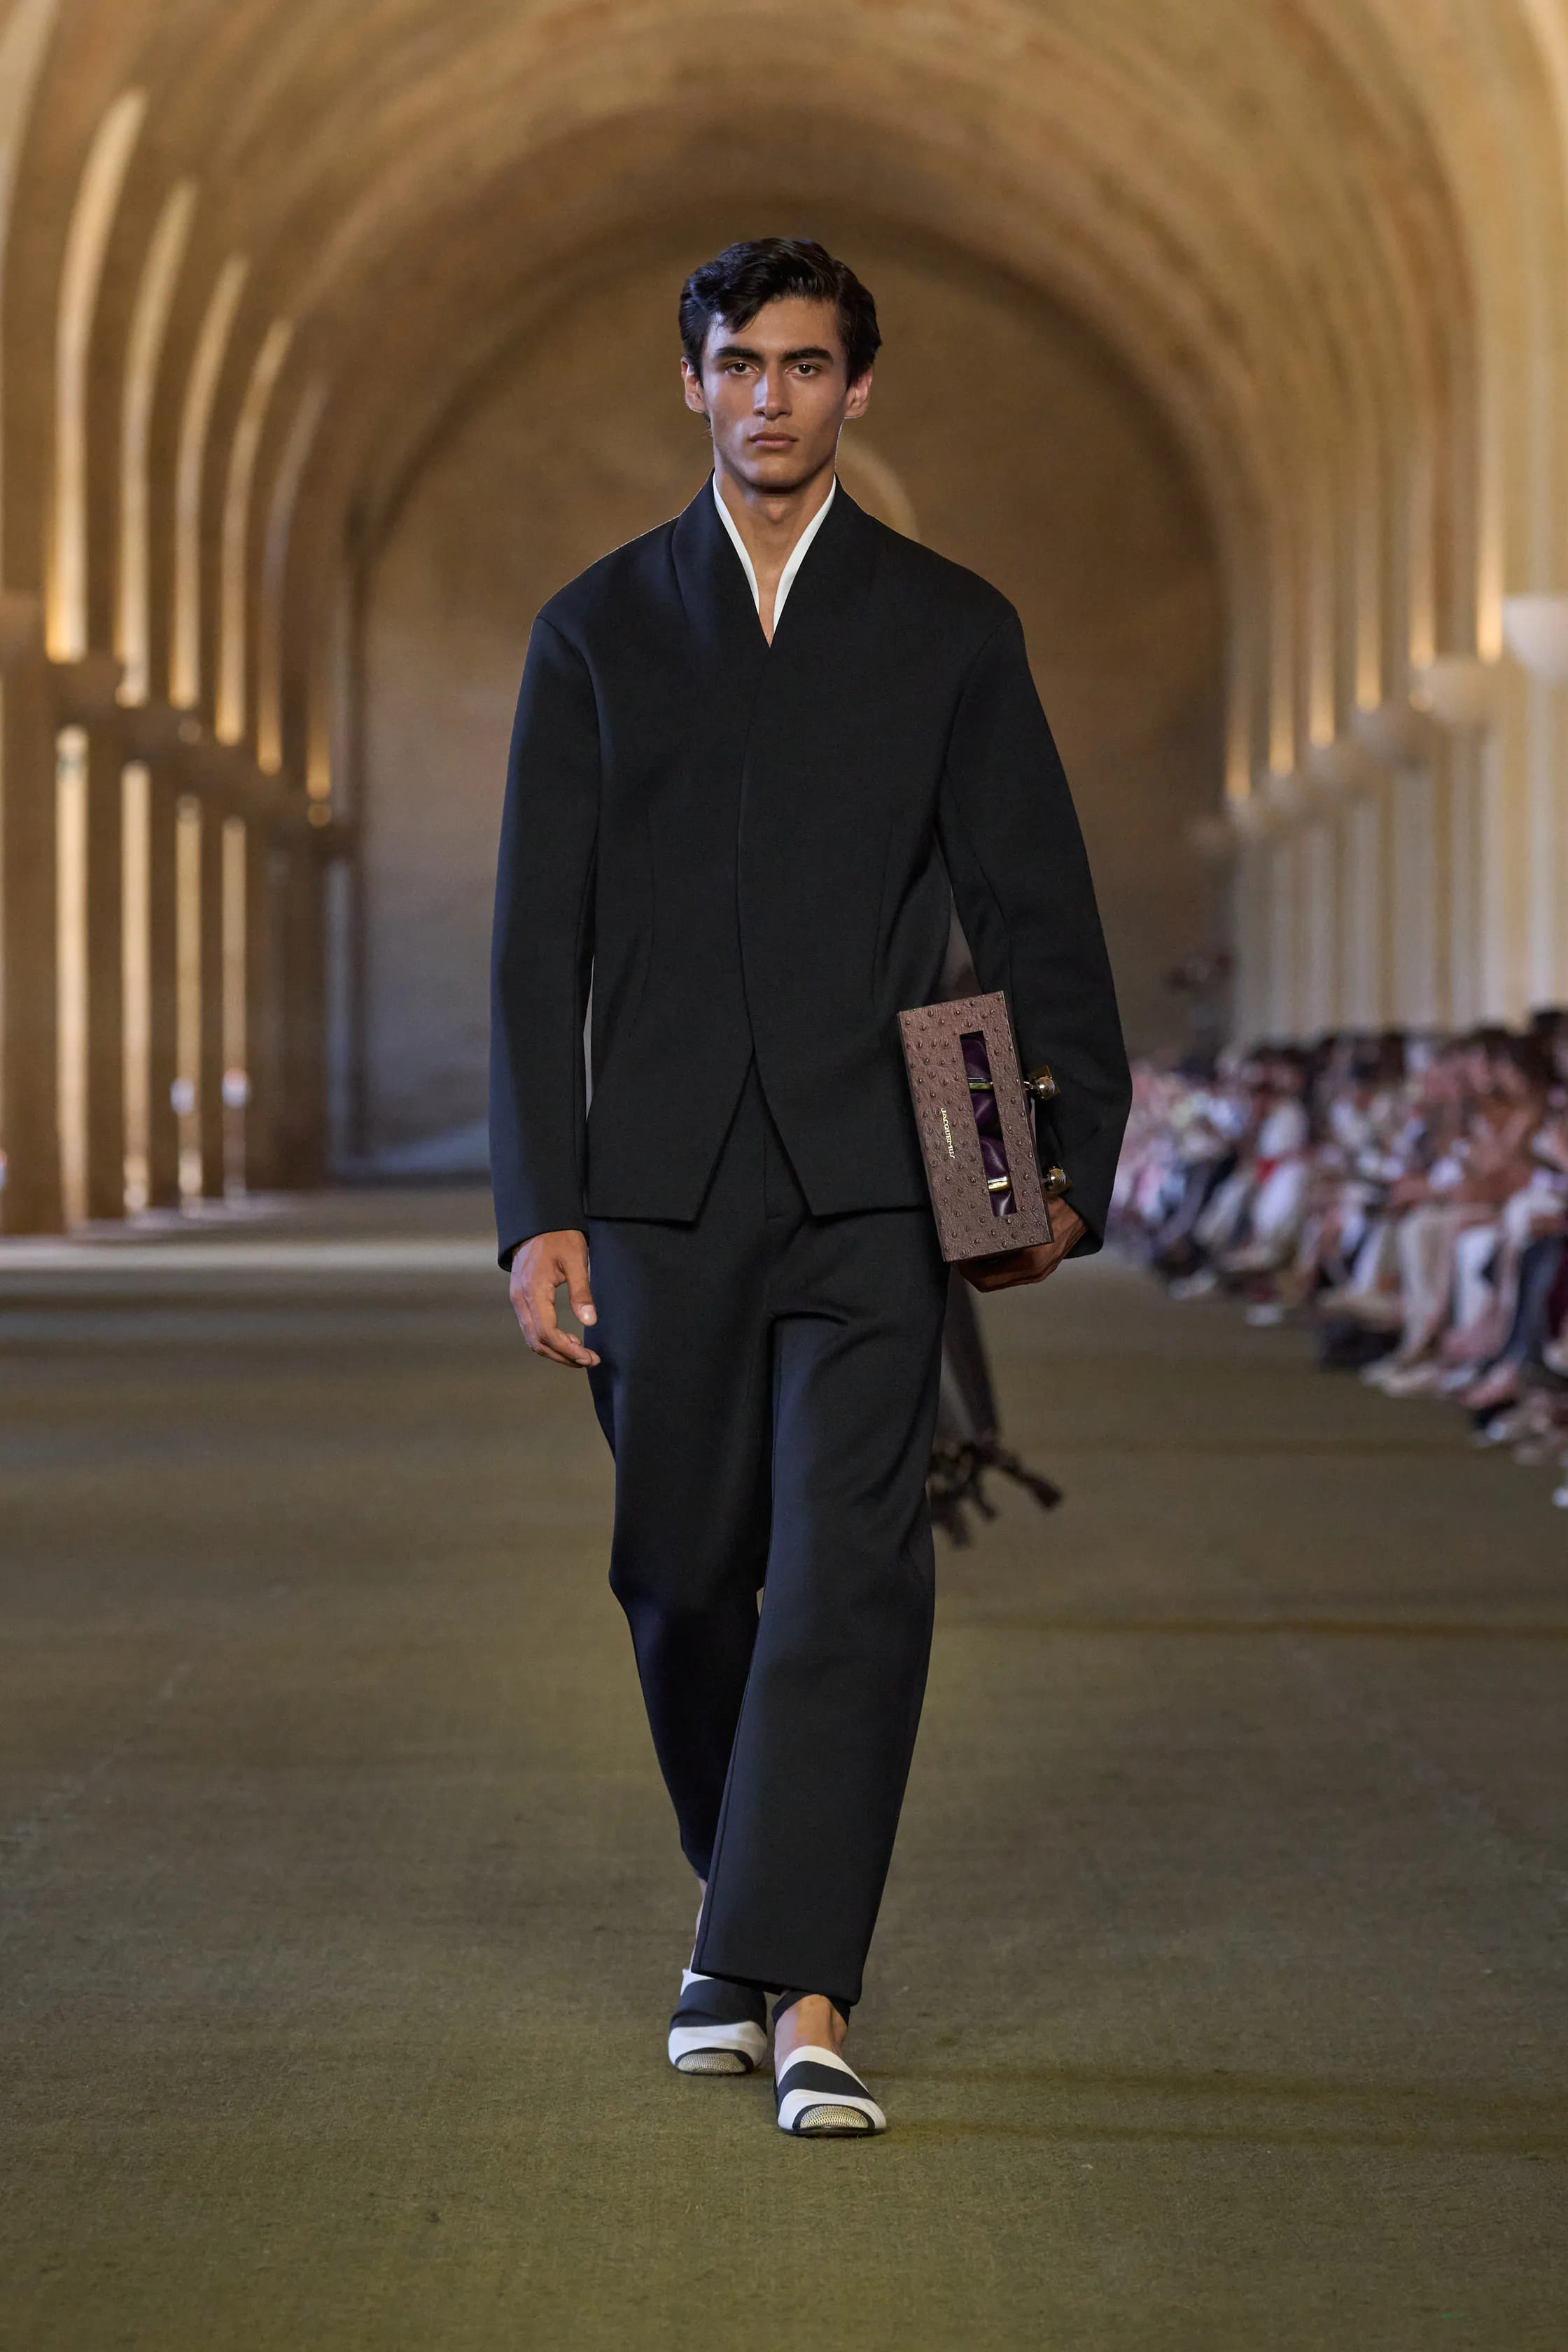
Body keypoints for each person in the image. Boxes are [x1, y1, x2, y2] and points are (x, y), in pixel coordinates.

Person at [490, 237, 1130, 2138]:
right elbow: (532, 949)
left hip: (880, 1183)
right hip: (657, 1189)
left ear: (860, 388)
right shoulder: (595, 630)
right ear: (692, 384)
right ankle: (740, 1918)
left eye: (805, 364)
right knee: (681, 1577)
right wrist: (537, 1207)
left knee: (852, 1576)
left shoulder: (952, 629)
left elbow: (1036, 906)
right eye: (739, 363)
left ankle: (808, 1997)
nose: (770, 395)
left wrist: (1066, 1156)